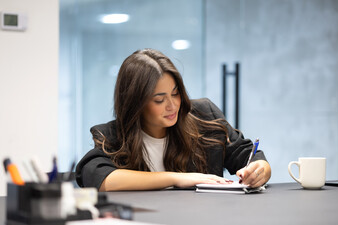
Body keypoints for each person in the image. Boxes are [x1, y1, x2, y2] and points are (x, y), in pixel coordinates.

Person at [75, 48, 271, 191]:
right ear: (135, 103)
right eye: (159, 99)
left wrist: (261, 169)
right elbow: (98, 177)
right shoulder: (114, 137)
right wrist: (178, 178)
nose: (172, 105)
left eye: (175, 94)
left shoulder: (204, 117)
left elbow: (247, 155)